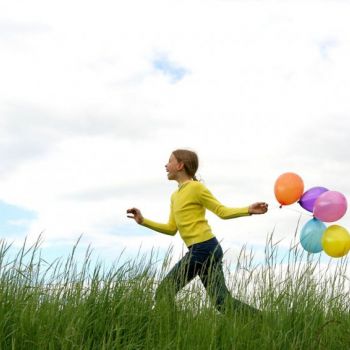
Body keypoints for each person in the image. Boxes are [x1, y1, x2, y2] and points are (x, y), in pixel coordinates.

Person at [126, 149, 268, 315]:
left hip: (204, 248)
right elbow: (171, 229)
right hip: (205, 249)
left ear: (180, 165)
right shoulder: (175, 196)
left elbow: (221, 211)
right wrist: (143, 221)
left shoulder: (196, 188)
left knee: (164, 291)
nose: (166, 165)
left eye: (170, 161)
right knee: (221, 302)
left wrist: (248, 210)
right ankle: (265, 322)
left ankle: (174, 331)